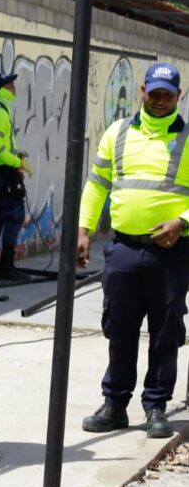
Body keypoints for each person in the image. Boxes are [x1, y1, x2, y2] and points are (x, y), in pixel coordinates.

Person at [77, 61, 189, 440]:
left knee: (165, 331)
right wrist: (83, 230)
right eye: (153, 93)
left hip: (170, 253)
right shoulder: (118, 132)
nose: (159, 100)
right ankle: (115, 405)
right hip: (123, 249)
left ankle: (156, 406)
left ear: (178, 96)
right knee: (120, 328)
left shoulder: (187, 138)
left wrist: (182, 222)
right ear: (142, 91)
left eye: (167, 95)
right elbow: (97, 184)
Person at [0, 72, 34, 279]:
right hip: (2, 172)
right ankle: (6, 267)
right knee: (14, 216)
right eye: (10, 86)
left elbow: (0, 146)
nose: (14, 89)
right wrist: (18, 163)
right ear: (2, 90)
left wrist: (16, 155)